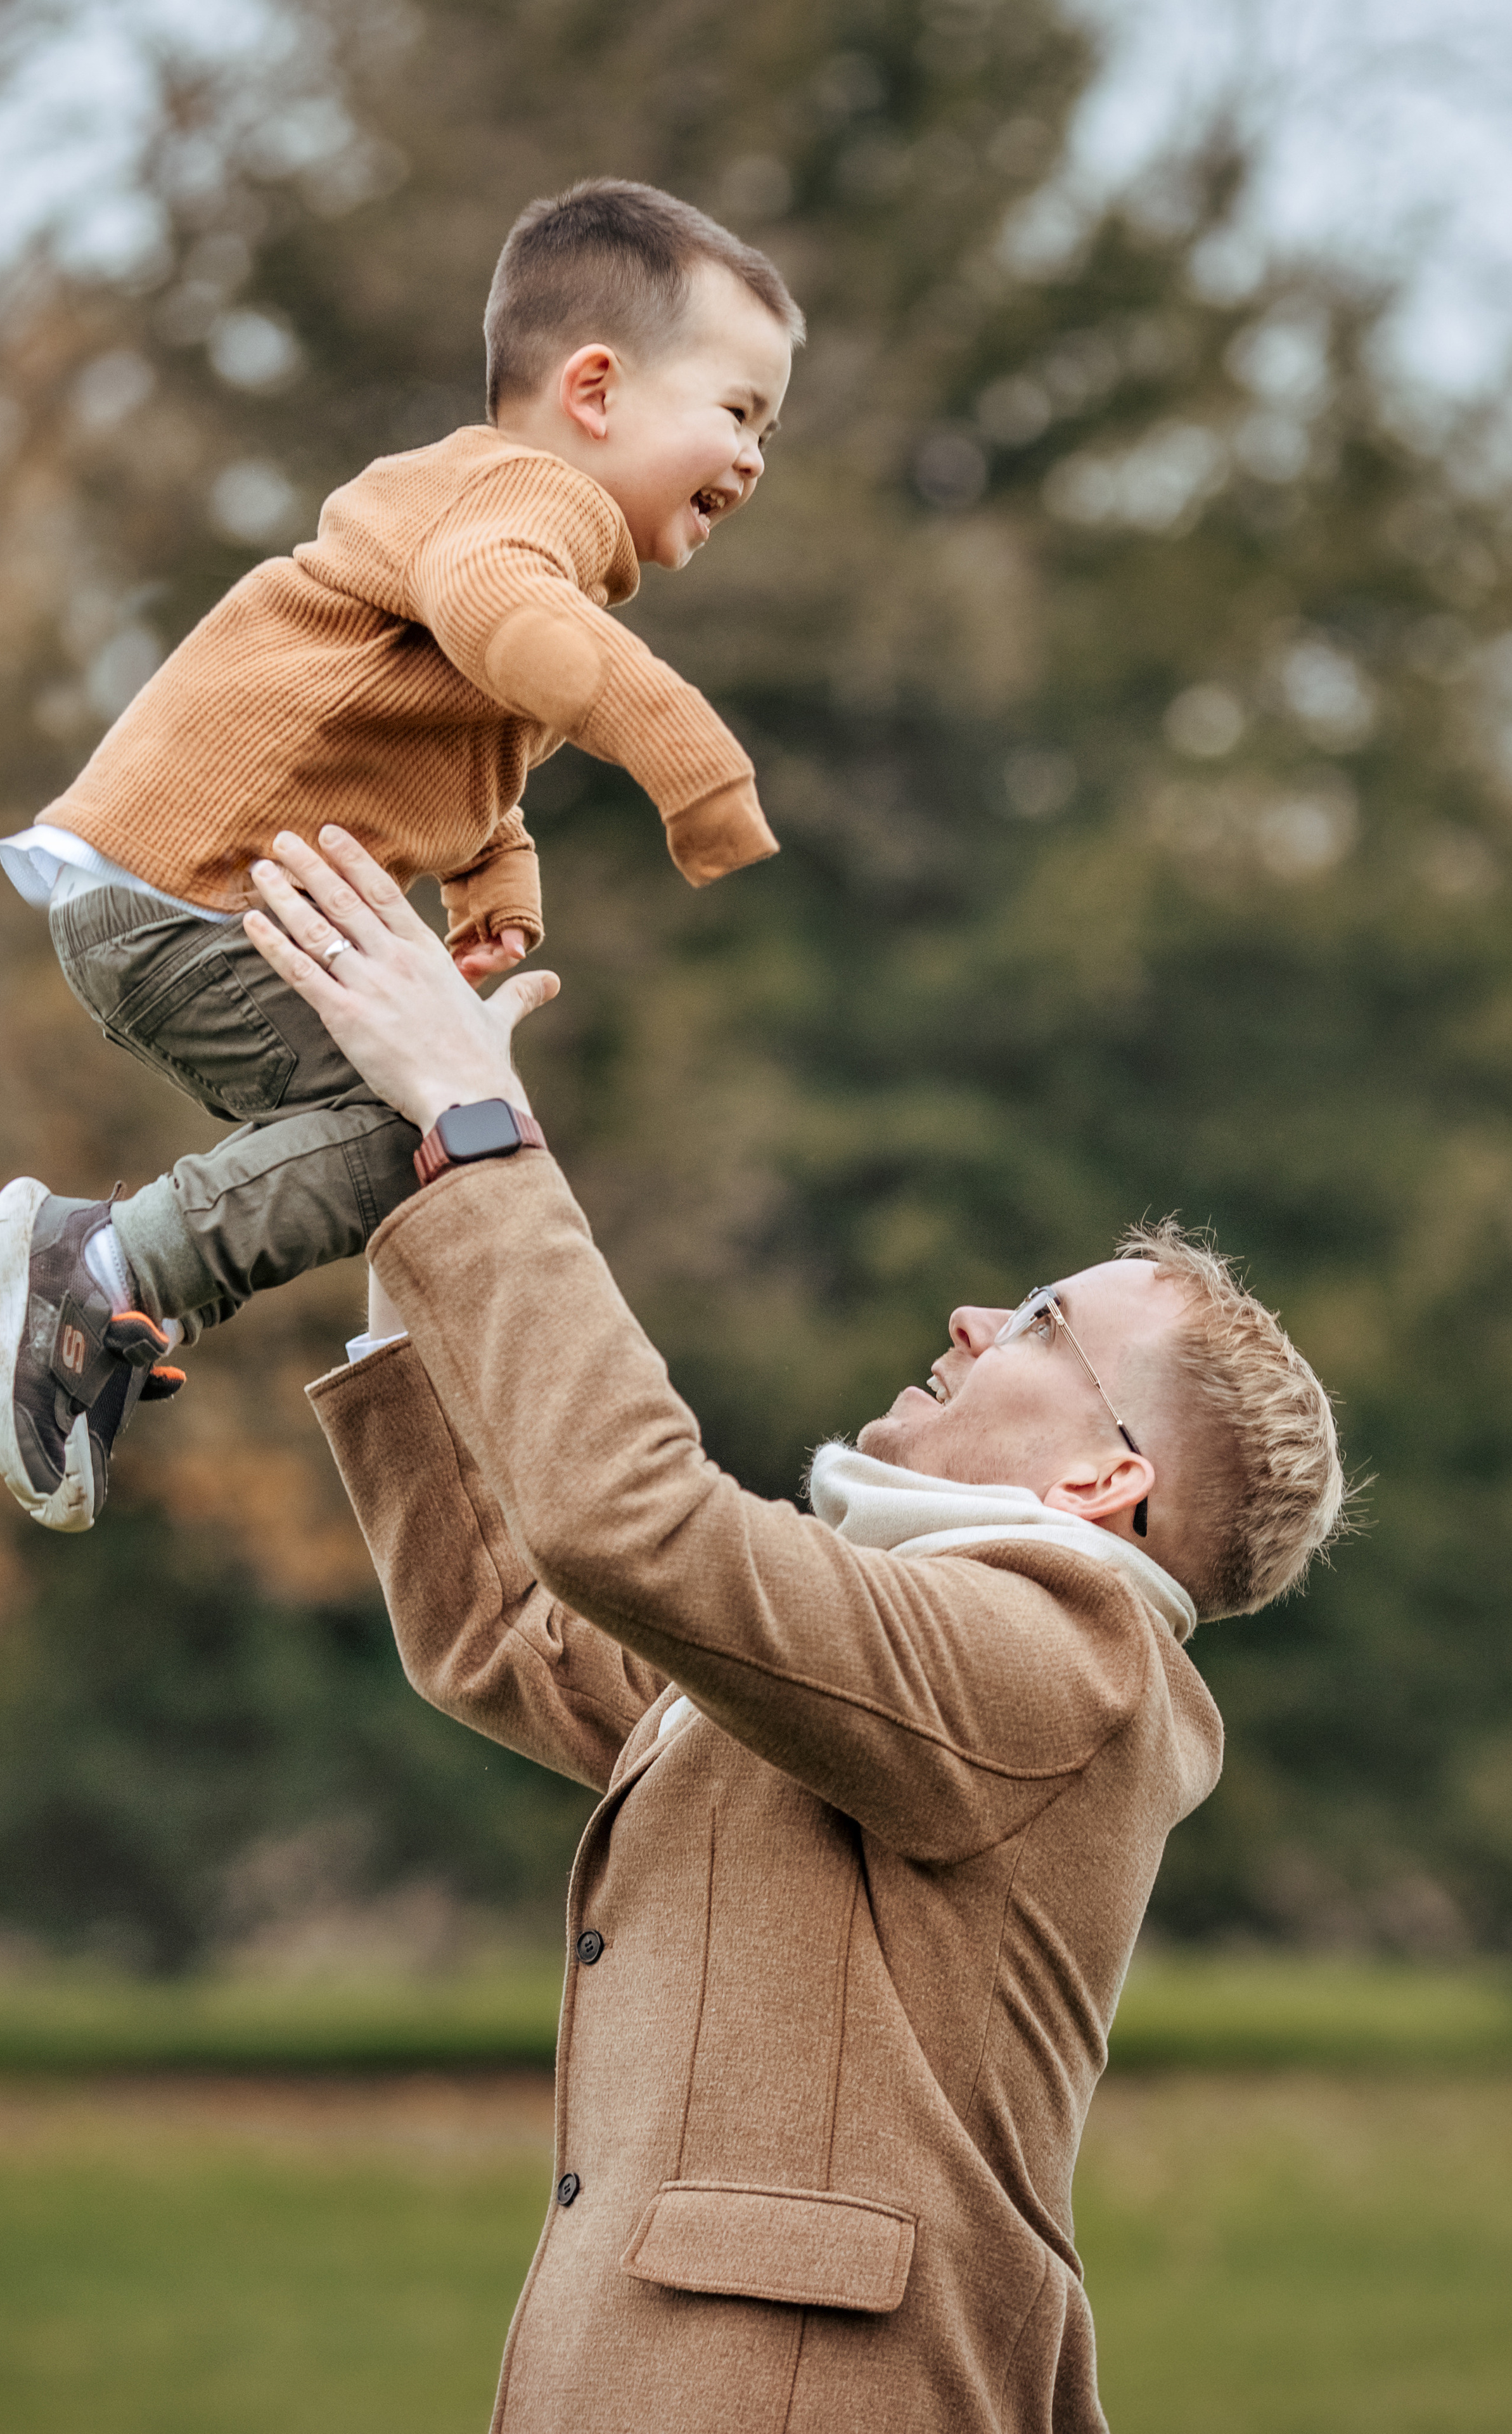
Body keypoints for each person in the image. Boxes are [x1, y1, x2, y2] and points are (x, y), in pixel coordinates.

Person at [238, 826, 1347, 2434]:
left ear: (1108, 1475)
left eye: (1037, 1323)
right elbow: (516, 1635)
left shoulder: (1066, 1657)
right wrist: (417, 1206)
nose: (973, 1317)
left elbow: (636, 1526)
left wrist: (487, 1135)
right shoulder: (905, 1663)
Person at [0, 179, 801, 1532]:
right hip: (201, 893)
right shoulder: (525, 507)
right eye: (738, 411)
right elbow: (508, 629)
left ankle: (118, 1284)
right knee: (425, 1133)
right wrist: (695, 769)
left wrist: (494, 890)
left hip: (158, 891)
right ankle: (103, 1262)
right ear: (594, 389)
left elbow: (467, 748)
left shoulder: (496, 518)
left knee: (389, 1134)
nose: (757, 457)